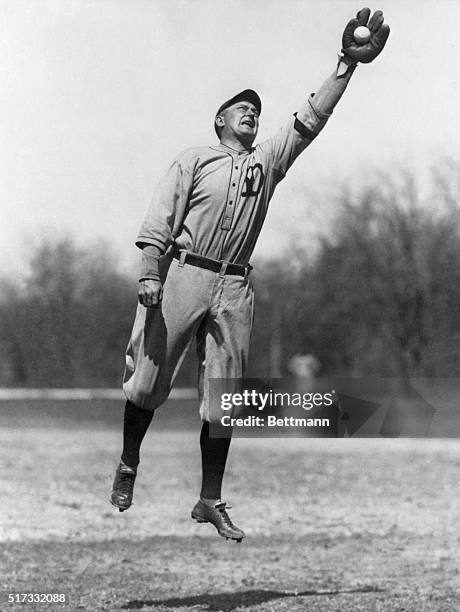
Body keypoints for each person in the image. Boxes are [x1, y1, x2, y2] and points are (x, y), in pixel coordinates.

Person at [110, 7, 390, 542]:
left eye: (256, 114)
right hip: (185, 273)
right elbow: (158, 221)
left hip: (235, 285)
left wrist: (345, 67)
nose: (252, 117)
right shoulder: (195, 160)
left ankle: (209, 498)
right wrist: (150, 271)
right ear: (219, 121)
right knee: (146, 380)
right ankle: (128, 463)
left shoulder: (266, 165)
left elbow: (308, 120)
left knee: (225, 396)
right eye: (242, 110)